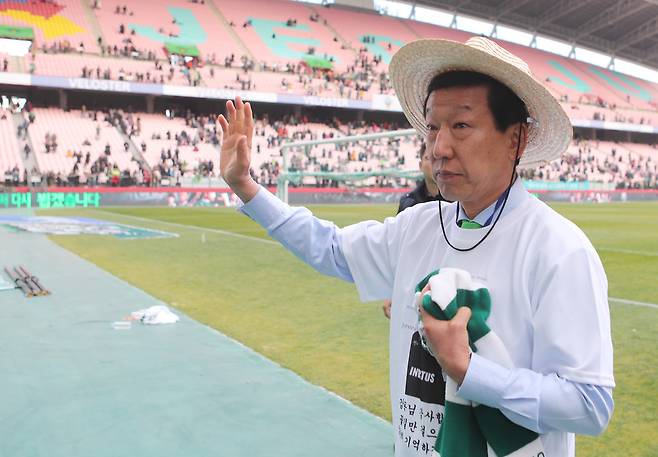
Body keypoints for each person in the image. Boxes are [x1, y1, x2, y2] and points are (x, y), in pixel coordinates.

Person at [218, 37, 613, 457]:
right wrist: (246, 187)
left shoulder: (558, 248)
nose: (438, 148)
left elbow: (590, 405)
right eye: (431, 127)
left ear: (515, 139)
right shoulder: (417, 227)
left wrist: (469, 370)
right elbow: (331, 248)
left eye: (461, 126)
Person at [383, 141, 443, 318]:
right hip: (411, 287)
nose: (432, 162)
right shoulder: (408, 202)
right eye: (427, 157)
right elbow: (398, 250)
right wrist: (391, 291)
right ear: (420, 164)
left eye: (435, 157)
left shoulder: (458, 203)